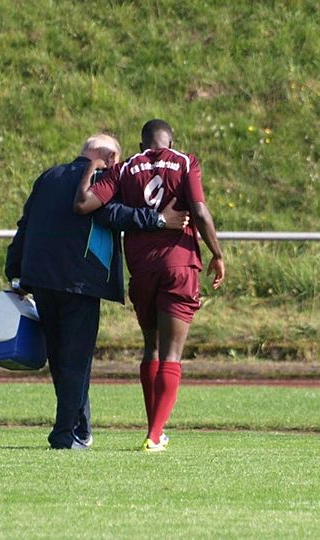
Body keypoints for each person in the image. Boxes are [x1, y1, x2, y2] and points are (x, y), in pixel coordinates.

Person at [4, 133, 189, 450]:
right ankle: (64, 435)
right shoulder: (106, 179)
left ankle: (80, 428)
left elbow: (26, 223)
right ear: (112, 157)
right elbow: (112, 214)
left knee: (60, 358)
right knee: (76, 361)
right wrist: (159, 219)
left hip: (42, 279)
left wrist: (15, 272)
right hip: (81, 281)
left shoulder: (48, 176)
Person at [74, 119, 225, 452]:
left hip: (142, 270)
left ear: (142, 146)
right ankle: (154, 435)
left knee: (151, 348)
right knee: (172, 353)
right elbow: (198, 210)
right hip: (179, 265)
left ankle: (154, 429)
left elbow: (86, 204)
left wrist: (90, 166)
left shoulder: (127, 168)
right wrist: (217, 253)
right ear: (170, 142)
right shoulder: (186, 162)